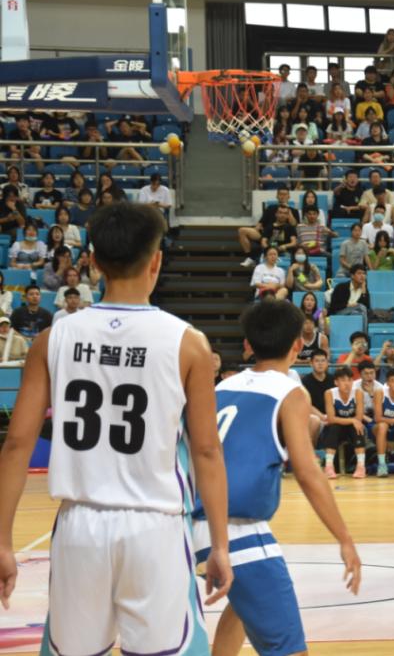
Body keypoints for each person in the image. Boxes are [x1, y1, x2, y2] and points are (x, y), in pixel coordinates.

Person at [0, 203, 233, 651]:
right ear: (156, 260)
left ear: (93, 261)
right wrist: (219, 545)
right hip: (156, 528)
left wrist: (3, 541)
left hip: (79, 526)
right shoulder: (189, 343)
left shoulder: (52, 339)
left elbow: (16, 445)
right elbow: (206, 451)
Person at [196, 299, 360, 655]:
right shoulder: (290, 392)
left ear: (248, 344)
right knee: (289, 649)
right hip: (237, 529)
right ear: (298, 345)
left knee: (243, 606)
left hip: (196, 524)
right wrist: (345, 538)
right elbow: (307, 472)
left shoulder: (221, 388)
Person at [323, 365, 368, 479]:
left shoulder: (358, 392)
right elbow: (331, 419)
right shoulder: (329, 393)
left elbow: (359, 417)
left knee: (358, 428)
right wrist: (352, 420)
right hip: (336, 426)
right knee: (334, 428)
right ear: (336, 382)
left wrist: (354, 421)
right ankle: (329, 466)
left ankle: (361, 466)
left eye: (349, 380)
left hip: (352, 427)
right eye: (343, 380)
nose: (347, 383)